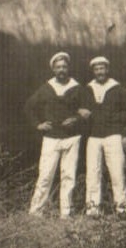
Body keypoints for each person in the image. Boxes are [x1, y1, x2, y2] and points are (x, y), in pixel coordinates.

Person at [25, 51, 89, 217]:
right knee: (45, 175)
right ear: (53, 69)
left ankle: (66, 213)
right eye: (58, 67)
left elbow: (87, 112)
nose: (61, 70)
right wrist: (38, 125)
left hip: (72, 138)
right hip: (51, 138)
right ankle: (35, 212)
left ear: (68, 68)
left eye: (64, 67)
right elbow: (29, 107)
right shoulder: (46, 88)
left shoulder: (77, 88)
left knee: (69, 176)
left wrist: (76, 119)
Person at [83, 55, 126, 217]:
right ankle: (93, 209)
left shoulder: (117, 89)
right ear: (93, 71)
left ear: (107, 69)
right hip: (94, 136)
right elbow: (80, 107)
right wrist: (80, 111)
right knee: (92, 173)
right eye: (96, 69)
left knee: (117, 173)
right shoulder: (88, 89)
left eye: (102, 68)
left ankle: (122, 209)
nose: (99, 72)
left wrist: (125, 132)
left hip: (113, 136)